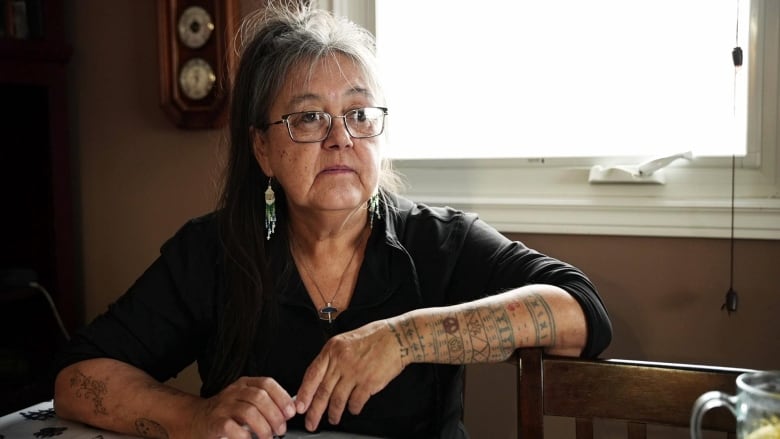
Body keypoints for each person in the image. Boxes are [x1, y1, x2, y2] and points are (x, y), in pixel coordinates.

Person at [52, 2, 612, 438]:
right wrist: (193, 417)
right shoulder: (212, 252)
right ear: (263, 149)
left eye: (359, 114)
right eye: (309, 117)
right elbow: (79, 379)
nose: (341, 137)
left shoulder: (439, 243)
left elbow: (581, 312)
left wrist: (405, 338)